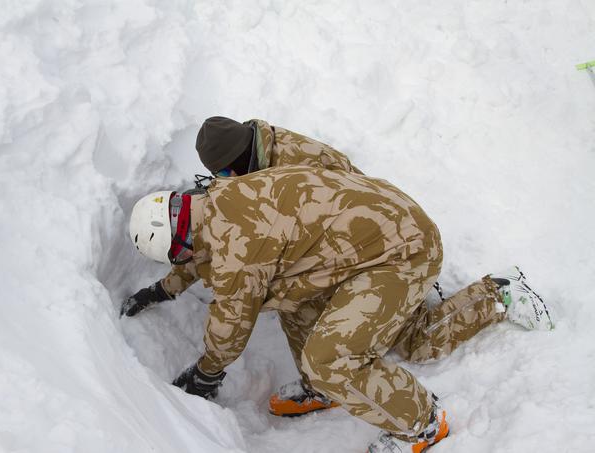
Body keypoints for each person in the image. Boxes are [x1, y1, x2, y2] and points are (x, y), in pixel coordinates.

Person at [122, 164, 554, 453]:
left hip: (402, 252)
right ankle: (326, 386)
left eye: (178, 256)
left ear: (178, 242)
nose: (185, 261)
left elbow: (231, 320)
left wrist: (207, 372)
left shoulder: (238, 248)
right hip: (377, 233)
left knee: (342, 356)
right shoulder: (218, 198)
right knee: (292, 303)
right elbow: (203, 256)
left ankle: (422, 422)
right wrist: (164, 290)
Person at [122, 116, 367, 417]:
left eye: (225, 172)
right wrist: (163, 290)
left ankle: (327, 381)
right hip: (311, 237)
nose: (224, 180)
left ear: (243, 157)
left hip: (351, 241)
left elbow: (234, 308)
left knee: (295, 300)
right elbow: (203, 239)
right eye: (218, 176)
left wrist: (207, 373)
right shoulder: (244, 175)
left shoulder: (298, 162)